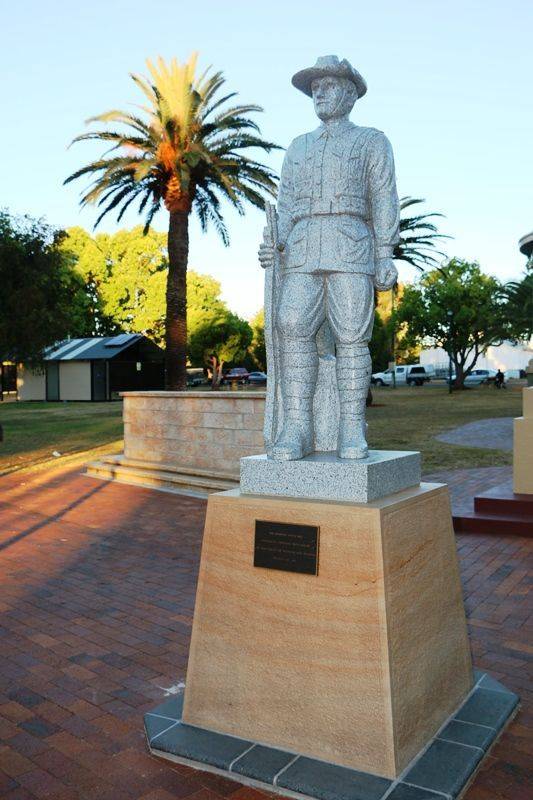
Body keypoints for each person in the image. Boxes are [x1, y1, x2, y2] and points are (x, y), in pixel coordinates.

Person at [259, 55, 399, 460]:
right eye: (314, 87)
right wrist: (276, 243)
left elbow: (383, 198)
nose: (319, 92)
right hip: (302, 248)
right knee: (291, 325)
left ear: (351, 94)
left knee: (353, 335)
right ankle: (297, 427)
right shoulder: (298, 147)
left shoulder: (372, 141)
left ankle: (351, 428)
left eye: (329, 85)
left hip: (351, 245)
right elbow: (285, 205)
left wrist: (384, 252)